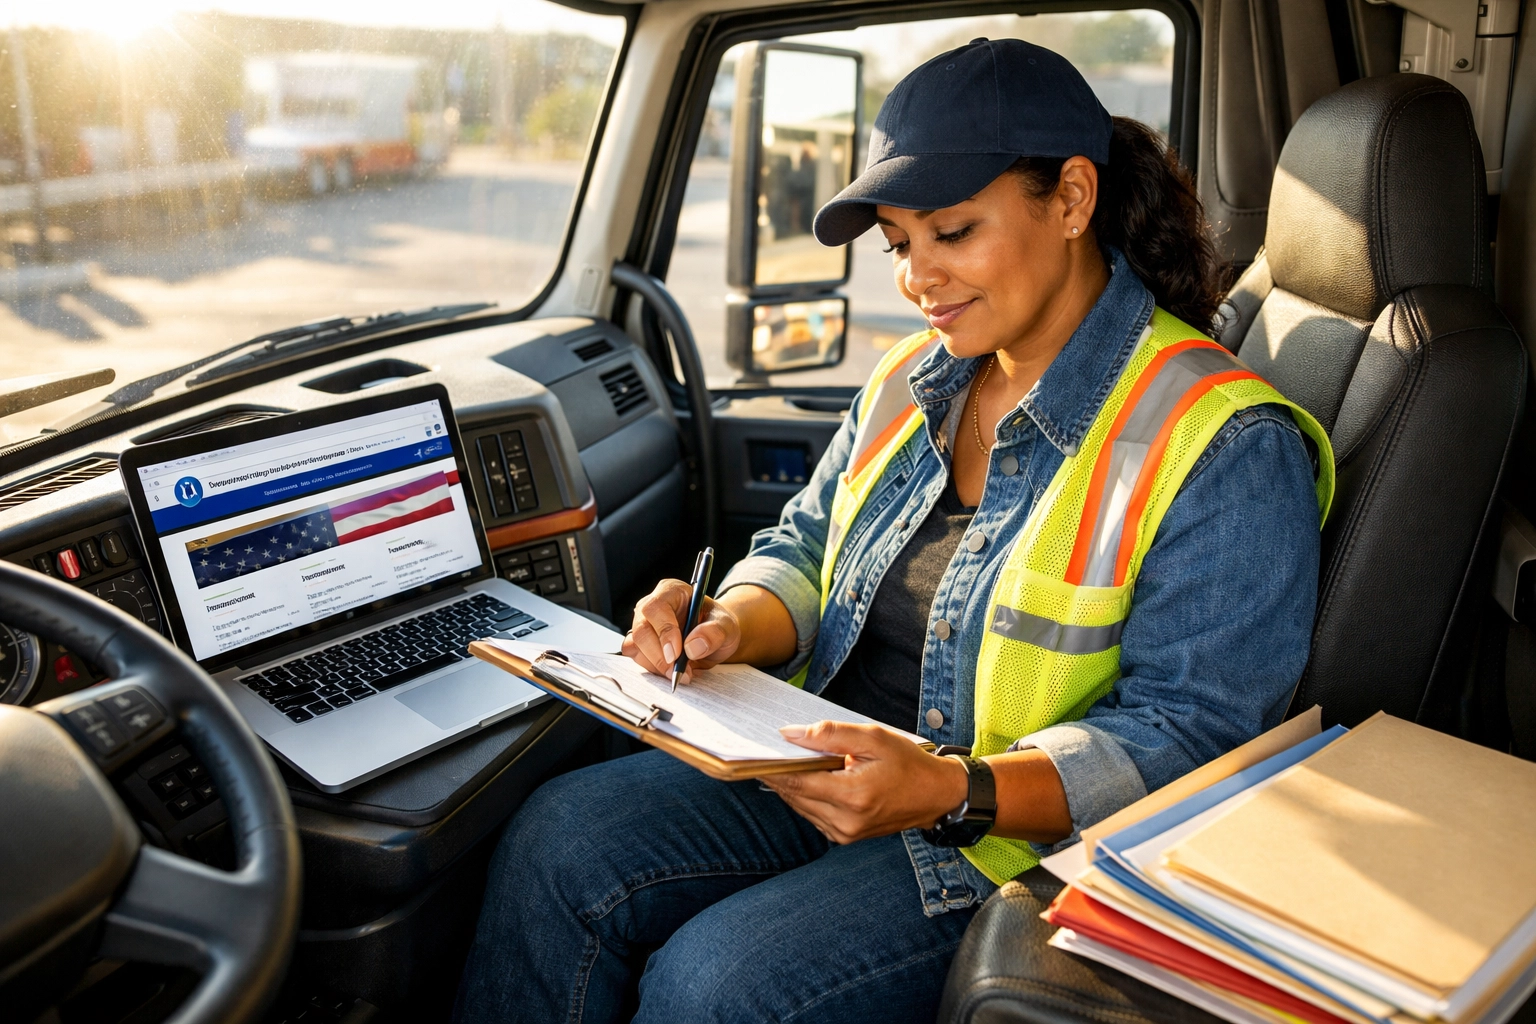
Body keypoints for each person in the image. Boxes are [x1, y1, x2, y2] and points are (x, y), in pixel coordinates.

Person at [455, 37, 1333, 1024]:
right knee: (557, 837)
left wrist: (951, 788)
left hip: (1004, 840)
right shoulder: (915, 378)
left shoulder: (1220, 439)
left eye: (953, 232)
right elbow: (804, 545)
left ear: (1074, 199)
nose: (918, 279)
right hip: (825, 759)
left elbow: (1196, 737)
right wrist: (728, 624)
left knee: (715, 985)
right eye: (900, 244)